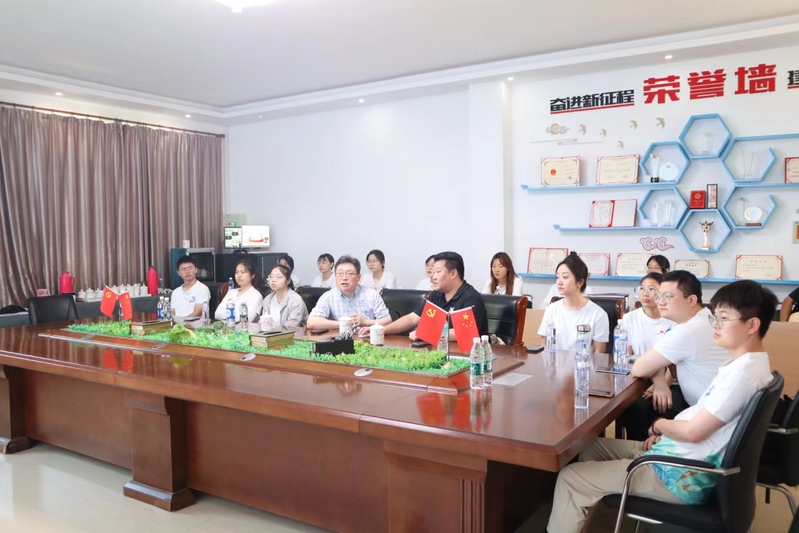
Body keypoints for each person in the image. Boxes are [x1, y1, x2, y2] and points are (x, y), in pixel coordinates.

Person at [547, 280, 778, 533]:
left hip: (679, 475)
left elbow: (693, 432)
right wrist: (668, 435)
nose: (715, 325)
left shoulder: (742, 376)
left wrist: (660, 425)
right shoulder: (750, 366)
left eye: (723, 318)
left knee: (570, 477)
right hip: (678, 456)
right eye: (715, 317)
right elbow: (700, 423)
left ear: (752, 325)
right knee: (588, 447)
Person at [623, 270, 731, 441]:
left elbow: (639, 368)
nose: (661, 302)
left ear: (692, 300)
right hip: (715, 414)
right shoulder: (707, 318)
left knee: (637, 410)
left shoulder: (688, 330)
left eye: (668, 296)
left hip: (709, 425)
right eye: (659, 296)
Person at [360, 251, 488, 341]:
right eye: (433, 272)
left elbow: (465, 332)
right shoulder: (437, 294)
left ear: (453, 273)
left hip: (470, 356)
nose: (433, 276)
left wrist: (426, 334)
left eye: (438, 272)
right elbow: (412, 318)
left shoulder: (470, 297)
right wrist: (381, 330)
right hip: (440, 351)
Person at [537, 252, 608, 353]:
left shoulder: (598, 314)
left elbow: (599, 354)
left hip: (583, 363)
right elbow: (544, 345)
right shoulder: (551, 310)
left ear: (580, 282)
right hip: (555, 362)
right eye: (557, 277)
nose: (559, 282)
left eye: (565, 277)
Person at [307, 255, 392, 330]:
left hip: (367, 340)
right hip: (340, 340)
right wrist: (343, 324)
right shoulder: (329, 296)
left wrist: (366, 322)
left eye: (349, 273)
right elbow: (311, 322)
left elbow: (388, 321)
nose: (344, 278)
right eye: (340, 273)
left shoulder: (372, 295)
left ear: (358, 277)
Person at [623, 273, 676, 357]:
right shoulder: (630, 318)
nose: (645, 294)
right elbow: (626, 355)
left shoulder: (674, 319)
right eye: (642, 288)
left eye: (651, 289)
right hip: (638, 364)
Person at [214, 258, 265, 323]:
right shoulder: (231, 292)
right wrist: (236, 314)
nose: (239, 275)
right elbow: (217, 314)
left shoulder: (256, 295)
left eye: (243, 272)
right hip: (226, 328)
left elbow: (245, 319)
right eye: (237, 272)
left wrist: (230, 315)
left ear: (252, 275)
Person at [261, 264, 308, 332]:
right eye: (271, 276)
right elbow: (263, 323)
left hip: (292, 336)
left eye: (278, 277)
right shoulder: (268, 299)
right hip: (270, 335)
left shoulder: (295, 301)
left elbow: (291, 327)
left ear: (288, 281)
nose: (273, 280)